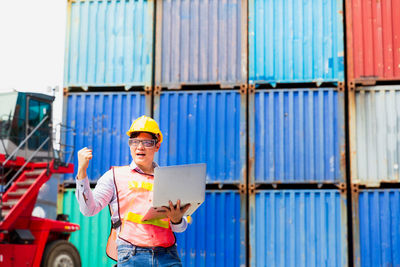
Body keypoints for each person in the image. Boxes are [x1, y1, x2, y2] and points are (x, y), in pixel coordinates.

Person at [75, 115, 190, 267]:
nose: (140, 147)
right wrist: (82, 171)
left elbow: (179, 227)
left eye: (147, 142)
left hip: (167, 255)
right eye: (134, 142)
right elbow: (88, 209)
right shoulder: (114, 176)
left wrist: (176, 219)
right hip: (132, 254)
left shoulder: (168, 179)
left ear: (157, 146)